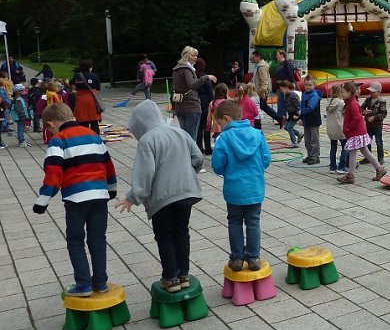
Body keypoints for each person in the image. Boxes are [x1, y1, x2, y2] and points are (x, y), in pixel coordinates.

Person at [115, 100, 204, 293]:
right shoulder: (180, 132)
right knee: (182, 232)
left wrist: (133, 196)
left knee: (164, 236)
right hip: (186, 193)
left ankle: (171, 277)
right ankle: (184, 274)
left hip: (162, 199)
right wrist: (188, 173)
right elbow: (198, 158)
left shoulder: (147, 140)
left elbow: (145, 175)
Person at [33, 103, 117, 296]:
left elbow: (53, 174)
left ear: (52, 122)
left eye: (49, 129)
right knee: (98, 239)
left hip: (76, 199)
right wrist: (111, 189)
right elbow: (108, 165)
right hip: (99, 196)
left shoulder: (59, 141)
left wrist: (42, 201)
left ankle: (83, 284)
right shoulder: (93, 136)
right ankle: (101, 282)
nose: (50, 133)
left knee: (75, 240)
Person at [211, 99, 271, 272]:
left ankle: (237, 258)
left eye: (219, 123)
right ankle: (253, 258)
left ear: (227, 119)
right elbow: (266, 159)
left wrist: (226, 171)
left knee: (234, 222)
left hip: (234, 190)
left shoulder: (224, 138)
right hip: (254, 189)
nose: (219, 127)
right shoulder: (257, 134)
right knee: (253, 222)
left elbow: (217, 165)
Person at [338, 81, 386, 184]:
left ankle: (350, 175)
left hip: (356, 133)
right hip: (357, 132)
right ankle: (379, 169)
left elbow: (356, 118)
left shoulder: (353, 104)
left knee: (352, 152)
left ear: (350, 92)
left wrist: (348, 128)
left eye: (343, 92)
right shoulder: (350, 102)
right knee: (365, 152)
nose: (341, 94)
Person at [171, 46, 217, 140]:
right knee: (191, 138)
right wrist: (206, 77)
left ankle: (185, 154)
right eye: (193, 55)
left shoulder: (176, 70)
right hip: (191, 106)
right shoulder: (187, 69)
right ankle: (191, 155)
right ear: (187, 56)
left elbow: (173, 88)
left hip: (180, 106)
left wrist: (174, 106)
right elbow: (192, 84)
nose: (195, 57)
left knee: (184, 137)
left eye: (196, 55)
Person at [72, 59, 102, 134]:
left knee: (83, 121)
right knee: (94, 122)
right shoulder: (94, 75)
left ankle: (85, 137)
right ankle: (96, 139)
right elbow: (98, 88)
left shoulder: (77, 76)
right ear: (90, 67)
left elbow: (72, 85)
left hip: (80, 100)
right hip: (91, 100)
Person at [361, 81, 387, 166]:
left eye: (373, 91)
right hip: (368, 124)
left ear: (379, 92)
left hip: (377, 125)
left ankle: (380, 158)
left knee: (379, 141)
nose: (371, 93)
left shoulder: (381, 101)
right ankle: (368, 157)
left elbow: (384, 113)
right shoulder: (368, 99)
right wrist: (363, 112)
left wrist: (375, 117)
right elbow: (361, 108)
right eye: (370, 91)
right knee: (367, 141)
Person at [251, 50, 280, 125]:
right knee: (263, 107)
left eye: (254, 57)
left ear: (258, 57)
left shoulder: (262, 67)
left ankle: (257, 124)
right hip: (259, 91)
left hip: (260, 92)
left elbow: (264, 81)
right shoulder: (258, 66)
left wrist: (262, 92)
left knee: (258, 108)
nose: (252, 58)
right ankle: (280, 119)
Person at [299, 75, 323, 164]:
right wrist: (301, 117)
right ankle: (310, 155)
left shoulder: (314, 95)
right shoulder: (304, 94)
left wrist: (301, 112)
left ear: (314, 85)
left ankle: (315, 157)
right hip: (307, 121)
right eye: (306, 85)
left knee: (314, 140)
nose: (307, 87)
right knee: (307, 140)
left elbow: (310, 108)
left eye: (310, 85)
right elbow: (302, 105)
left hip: (314, 121)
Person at [325, 84, 348, 174]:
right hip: (339, 127)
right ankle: (342, 166)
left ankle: (332, 166)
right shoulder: (341, 102)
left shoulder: (329, 101)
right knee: (345, 146)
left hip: (330, 128)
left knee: (333, 147)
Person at [193, 57, 214, 154]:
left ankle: (199, 147)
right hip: (205, 103)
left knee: (199, 127)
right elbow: (210, 93)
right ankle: (208, 147)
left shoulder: (193, 77)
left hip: (195, 102)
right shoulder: (206, 77)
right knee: (207, 126)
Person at [277, 79, 302, 147]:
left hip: (294, 115)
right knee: (286, 127)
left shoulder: (293, 95)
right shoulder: (287, 95)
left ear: (286, 88)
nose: (282, 91)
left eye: (282, 90)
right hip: (290, 115)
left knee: (289, 127)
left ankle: (294, 142)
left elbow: (298, 106)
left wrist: (298, 115)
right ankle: (299, 133)